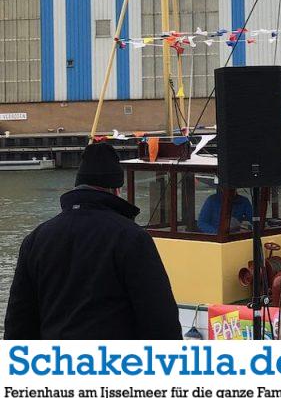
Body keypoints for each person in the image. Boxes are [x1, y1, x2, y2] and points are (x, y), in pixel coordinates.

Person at [4, 142, 181, 339]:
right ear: (116, 191)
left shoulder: (36, 239)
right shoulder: (132, 237)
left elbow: (19, 320)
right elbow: (159, 318)